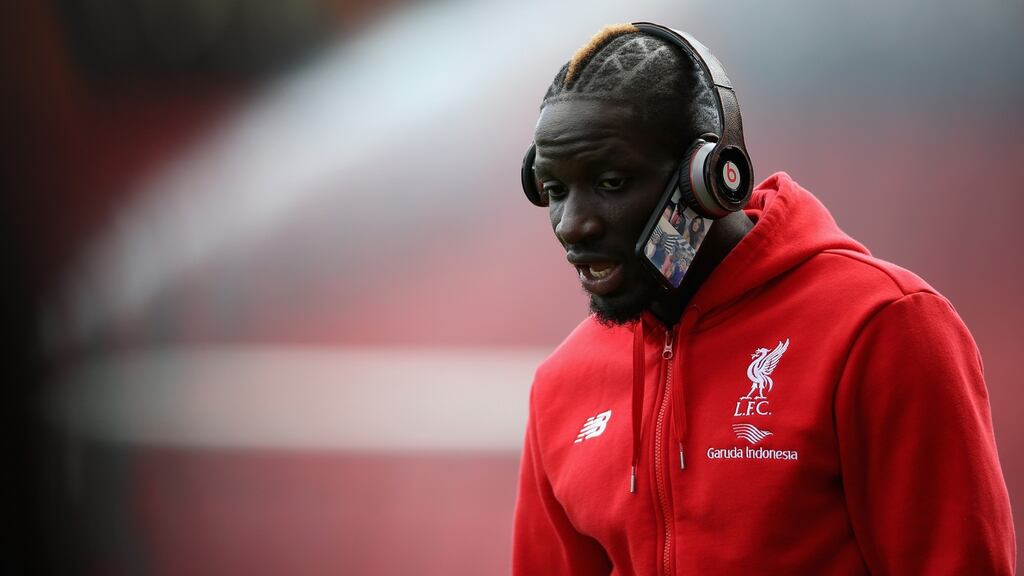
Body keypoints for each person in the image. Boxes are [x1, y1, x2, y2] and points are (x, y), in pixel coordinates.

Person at [512, 22, 1016, 574]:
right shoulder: (560, 385)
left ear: (710, 177)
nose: (572, 224)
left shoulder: (882, 326)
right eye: (555, 190)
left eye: (611, 182)